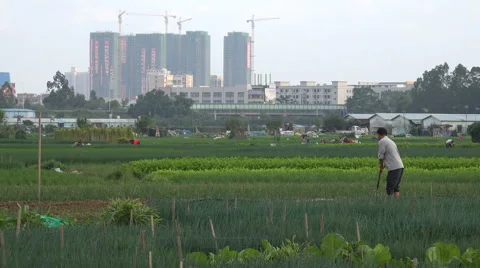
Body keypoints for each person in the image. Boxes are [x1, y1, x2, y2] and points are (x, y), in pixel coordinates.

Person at [377, 127, 404, 199]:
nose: (377, 137)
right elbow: (390, 156)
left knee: (390, 187)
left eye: (377, 135)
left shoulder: (382, 141)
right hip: (400, 166)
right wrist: (383, 166)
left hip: (394, 167)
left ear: (379, 135)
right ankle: (396, 203)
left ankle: (390, 204)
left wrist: (381, 166)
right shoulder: (390, 141)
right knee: (395, 187)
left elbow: (381, 156)